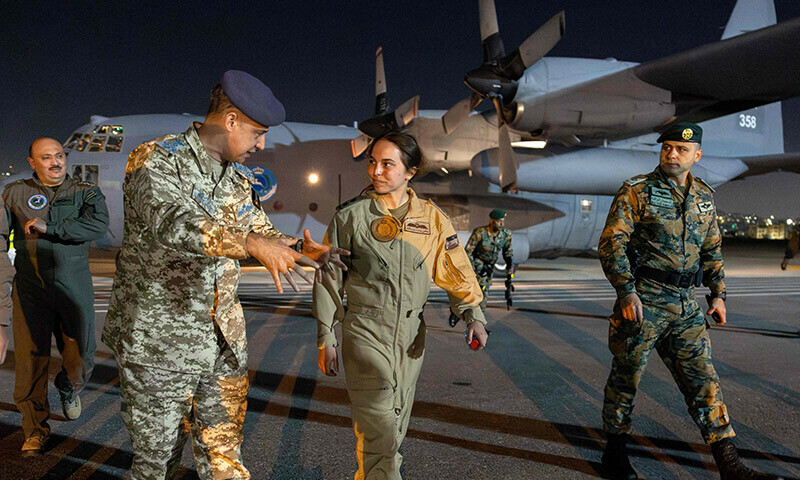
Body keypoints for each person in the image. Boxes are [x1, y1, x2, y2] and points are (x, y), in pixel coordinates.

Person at [102, 70, 348, 479]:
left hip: (222, 342)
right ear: (230, 120)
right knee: (155, 464)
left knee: (224, 456)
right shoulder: (157, 158)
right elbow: (170, 221)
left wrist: (302, 248)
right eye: (257, 133)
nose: (262, 144)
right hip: (160, 345)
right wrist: (253, 244)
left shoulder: (236, 178)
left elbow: (259, 230)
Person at [597, 123, 782, 480]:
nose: (671, 154)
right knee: (626, 380)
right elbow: (612, 243)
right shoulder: (637, 191)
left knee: (704, 382)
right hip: (644, 301)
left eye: (681, 149)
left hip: (685, 305)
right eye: (667, 147)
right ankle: (615, 454)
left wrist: (718, 293)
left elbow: (712, 249)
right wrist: (626, 291)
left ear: (697, 155)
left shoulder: (704, 196)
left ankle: (729, 465)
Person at [313, 131, 488, 480]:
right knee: (380, 430)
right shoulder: (351, 217)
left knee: (393, 427)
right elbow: (330, 280)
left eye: (387, 164)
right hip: (365, 332)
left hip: (411, 340)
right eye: (372, 162)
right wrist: (326, 337)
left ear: (409, 172)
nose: (376, 171)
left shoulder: (433, 220)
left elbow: (455, 270)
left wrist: (473, 315)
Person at [2, 137, 109, 456]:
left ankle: (68, 386)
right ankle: (35, 429)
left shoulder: (85, 191)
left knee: (83, 357)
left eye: (59, 156)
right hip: (30, 289)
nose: (55, 162)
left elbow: (98, 224)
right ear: (32, 162)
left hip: (74, 287)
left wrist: (52, 227)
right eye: (46, 157)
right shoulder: (15, 193)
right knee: (30, 361)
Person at [448, 208, 513, 326]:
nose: (502, 224)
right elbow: (468, 252)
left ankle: (478, 322)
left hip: (488, 269)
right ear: (492, 221)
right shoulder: (480, 233)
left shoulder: (506, 234)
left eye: (503, 221)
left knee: (483, 294)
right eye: (499, 221)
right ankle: (456, 313)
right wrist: (473, 270)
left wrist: (510, 266)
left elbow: (507, 251)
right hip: (476, 266)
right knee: (467, 292)